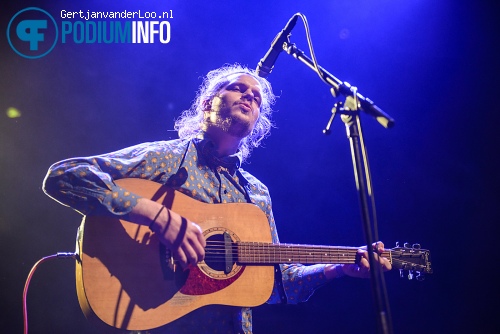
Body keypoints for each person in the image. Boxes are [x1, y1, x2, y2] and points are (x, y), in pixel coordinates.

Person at [42, 64, 392, 333]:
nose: (248, 96)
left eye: (255, 98)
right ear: (208, 103)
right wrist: (155, 215)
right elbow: (65, 176)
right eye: (237, 88)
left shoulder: (256, 194)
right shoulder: (167, 158)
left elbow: (277, 283)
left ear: (258, 122)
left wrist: (338, 268)